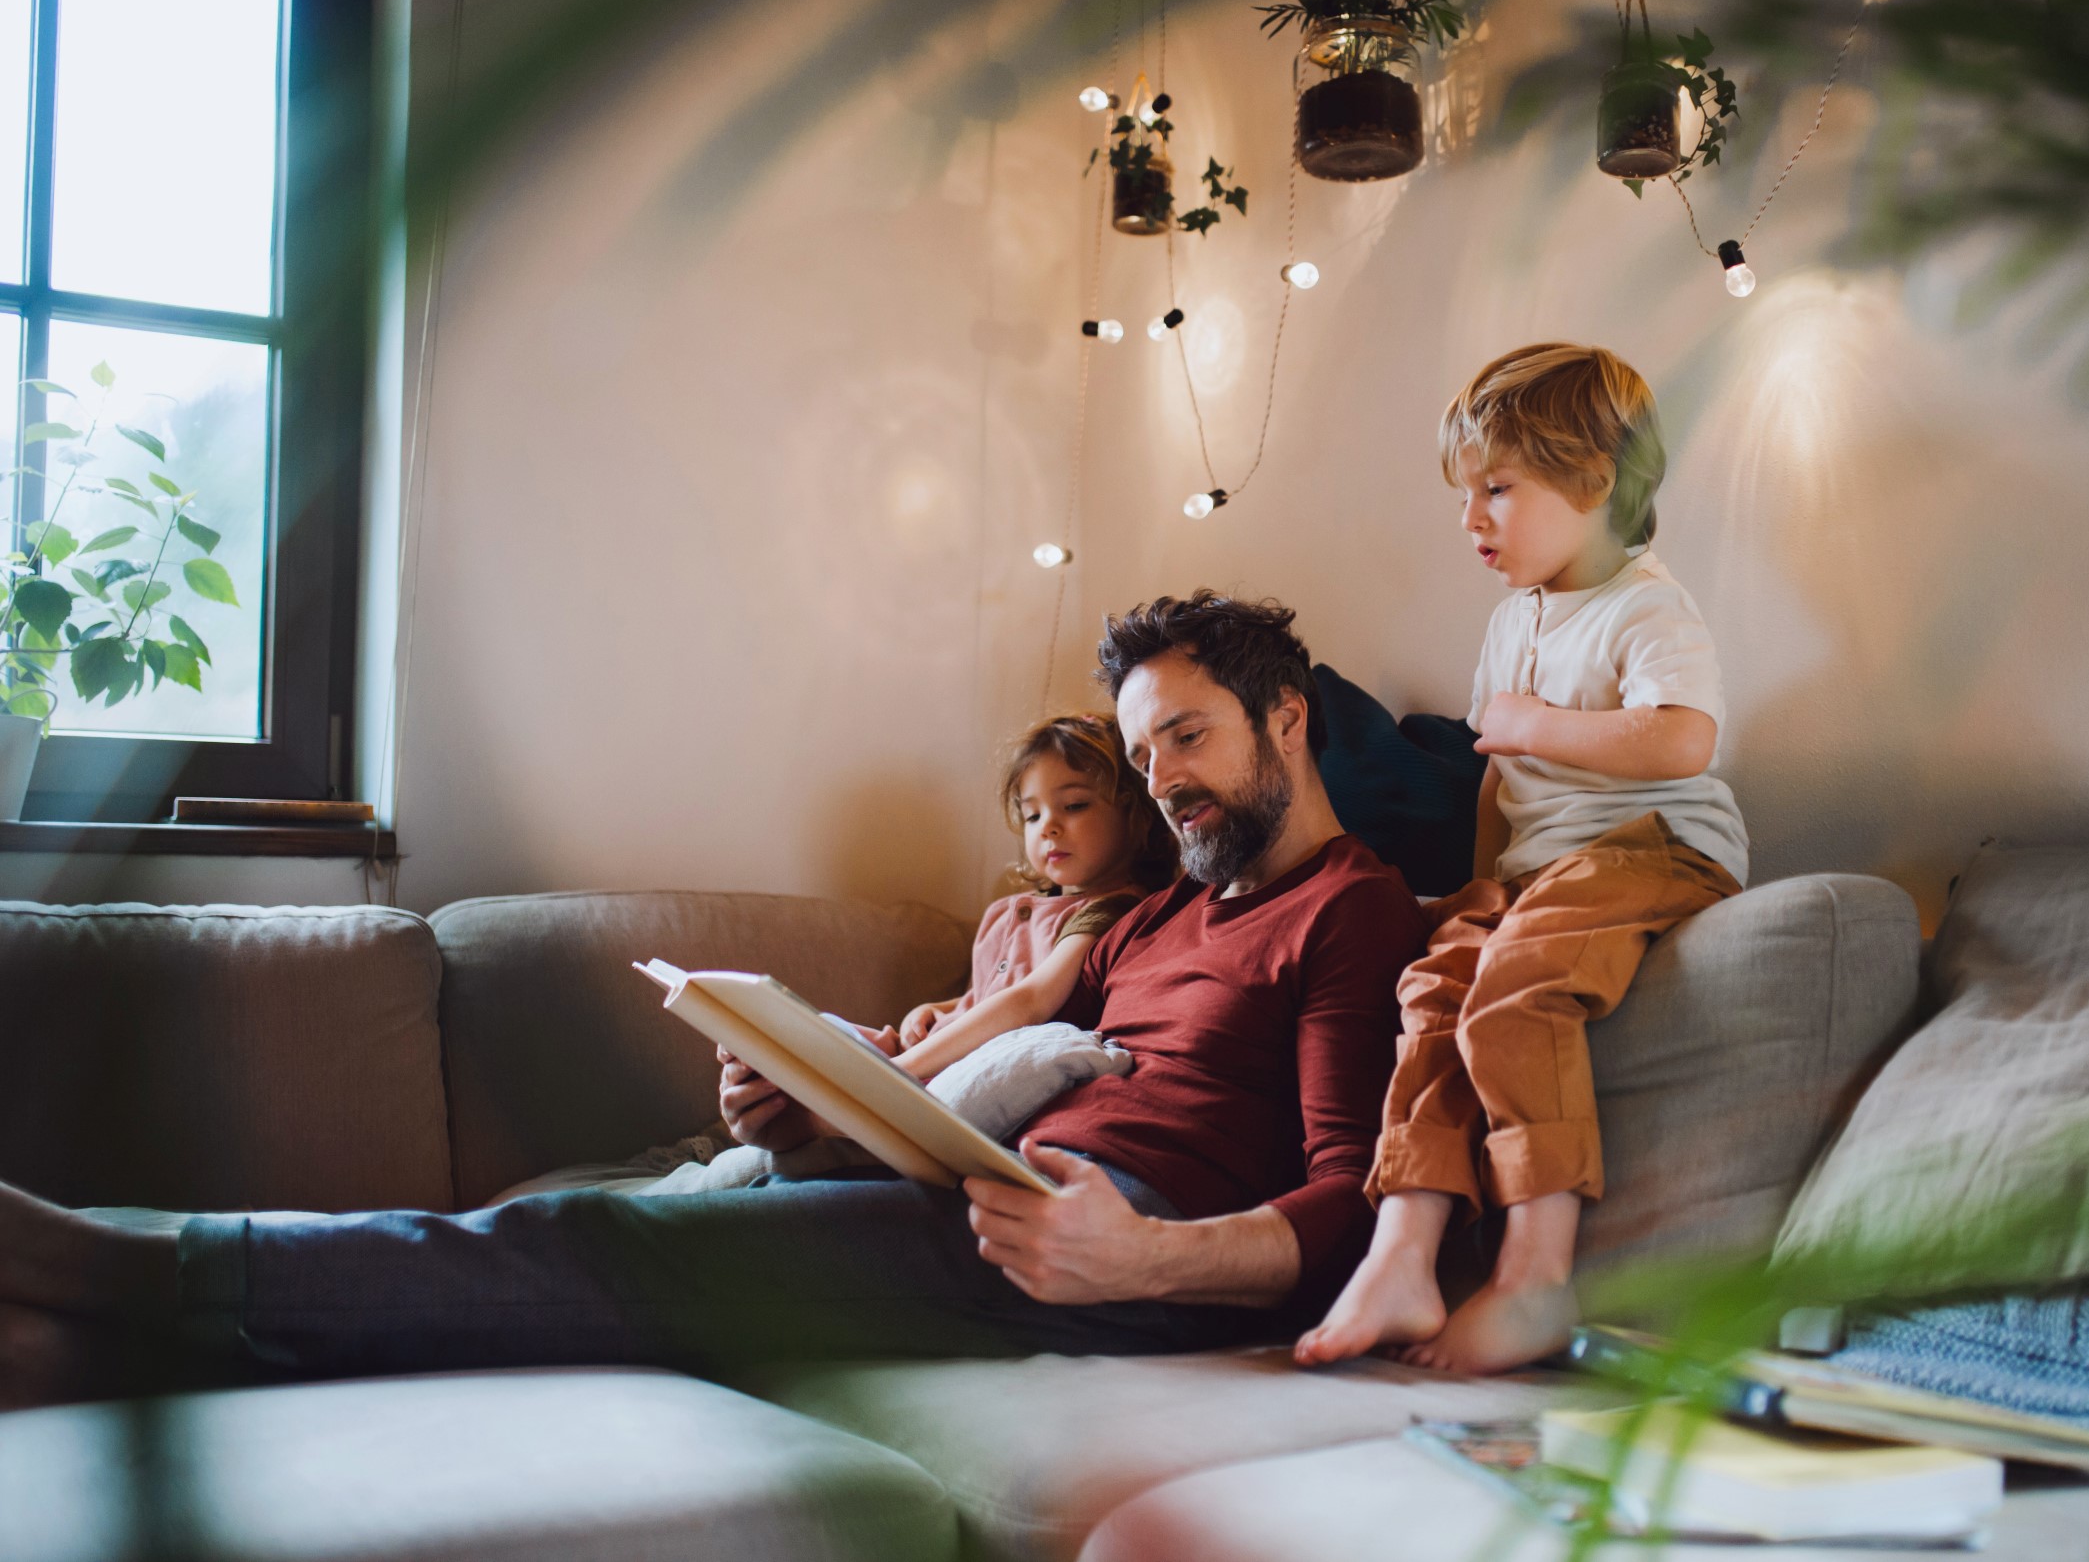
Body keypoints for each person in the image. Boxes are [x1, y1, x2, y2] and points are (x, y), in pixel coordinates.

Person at [0, 591, 1426, 1406]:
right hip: (995, 1198)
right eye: (1144, 745)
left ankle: (119, 1269)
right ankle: (83, 1332)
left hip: (1122, 1257)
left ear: (1285, 719)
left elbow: (1348, 1201)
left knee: (606, 1247)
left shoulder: (1352, 910)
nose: (1163, 777)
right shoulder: (1162, 905)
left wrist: (1147, 1263)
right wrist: (807, 1100)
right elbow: (1008, 1058)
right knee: (645, 1214)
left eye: (1189, 735)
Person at [1295, 342, 1749, 1376]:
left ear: (1597, 479)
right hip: (1545, 865)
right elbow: (1499, 779)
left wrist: (1537, 722)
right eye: (1467, 494)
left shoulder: (1647, 606)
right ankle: (1403, 1251)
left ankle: (1537, 1272)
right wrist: (1475, 881)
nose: (1473, 520)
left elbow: (1682, 738)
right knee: (1435, 988)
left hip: (1656, 846)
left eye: (1498, 489)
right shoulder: (1512, 620)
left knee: (1516, 993)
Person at [720, 712, 1175, 1166]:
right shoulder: (1010, 912)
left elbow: (1031, 999)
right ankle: (775, 1071)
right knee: (816, 1032)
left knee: (851, 1065)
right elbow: (983, 997)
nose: (1048, 827)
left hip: (958, 1073)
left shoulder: (1110, 910)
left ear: (1137, 816)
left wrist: (893, 1076)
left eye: (1074, 805)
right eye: (1032, 814)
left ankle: (823, 1104)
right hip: (932, 1054)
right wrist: (939, 1010)